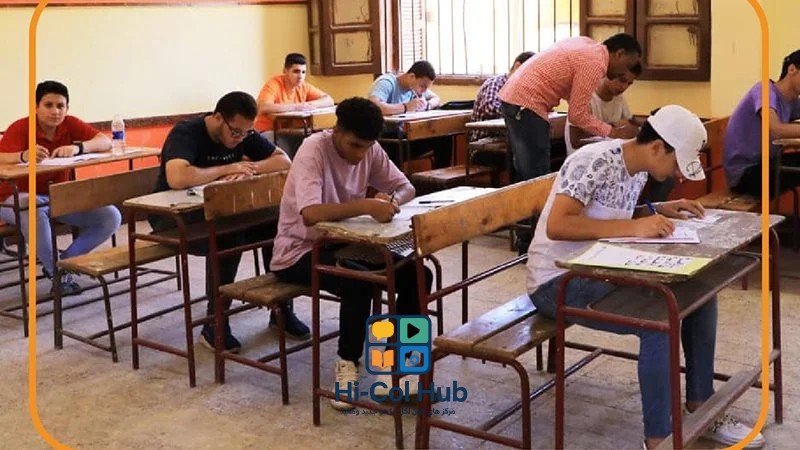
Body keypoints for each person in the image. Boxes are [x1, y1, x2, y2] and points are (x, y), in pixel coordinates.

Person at [526, 105, 765, 450]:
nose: (678, 175)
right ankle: (658, 438)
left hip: (601, 269)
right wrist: (636, 227)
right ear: (656, 147)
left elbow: (608, 213)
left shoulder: (638, 168)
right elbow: (558, 224)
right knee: (657, 322)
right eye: (676, 164)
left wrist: (656, 209)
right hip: (556, 281)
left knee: (700, 294)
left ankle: (701, 403)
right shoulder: (592, 160)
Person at [270, 97, 432, 411]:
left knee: (418, 275)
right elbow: (311, 214)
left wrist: (392, 200)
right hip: (299, 251)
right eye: (355, 145)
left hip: (348, 243)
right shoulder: (313, 150)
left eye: (366, 147)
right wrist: (366, 206)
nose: (360, 155)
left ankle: (402, 367)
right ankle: (347, 365)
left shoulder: (370, 148)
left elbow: (405, 187)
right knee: (358, 280)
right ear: (337, 131)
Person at [148, 91, 303, 353]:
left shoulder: (241, 130)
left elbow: (283, 161)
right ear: (218, 117)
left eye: (247, 133)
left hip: (220, 210)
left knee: (275, 223)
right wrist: (227, 169)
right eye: (236, 132)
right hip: (173, 218)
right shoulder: (187, 132)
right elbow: (177, 177)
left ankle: (281, 308)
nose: (240, 138)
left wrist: (249, 169)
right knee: (227, 234)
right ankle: (215, 321)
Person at [499, 33, 642, 254]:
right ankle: (533, 245)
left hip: (518, 99)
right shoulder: (595, 62)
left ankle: (527, 240)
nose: (624, 73)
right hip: (526, 103)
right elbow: (577, 116)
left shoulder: (588, 46)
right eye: (627, 66)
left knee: (529, 175)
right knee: (536, 178)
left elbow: (567, 87)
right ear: (619, 54)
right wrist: (612, 133)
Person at [0, 80, 120, 295]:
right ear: (36, 107)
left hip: (57, 197)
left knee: (110, 216)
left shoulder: (70, 124)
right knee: (32, 205)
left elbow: (105, 141)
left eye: (60, 106)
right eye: (48, 105)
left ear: (67, 108)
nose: (55, 111)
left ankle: (63, 265)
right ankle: (57, 274)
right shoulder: (21, 127)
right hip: (14, 200)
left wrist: (78, 147)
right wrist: (23, 155)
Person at [724, 48, 800, 198]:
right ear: (792, 69)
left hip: (766, 165)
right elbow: (776, 129)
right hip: (745, 175)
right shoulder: (764, 90)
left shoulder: (791, 100)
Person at [368, 60, 451, 169]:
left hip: (404, 137)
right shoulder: (387, 82)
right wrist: (406, 107)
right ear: (412, 76)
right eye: (423, 86)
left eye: (426, 88)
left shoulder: (415, 88)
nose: (424, 90)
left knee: (444, 137)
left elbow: (436, 98)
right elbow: (374, 105)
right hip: (386, 140)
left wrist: (427, 105)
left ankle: (440, 177)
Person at [254, 53, 334, 157]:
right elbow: (263, 107)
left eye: (303, 72)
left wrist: (308, 104)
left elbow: (329, 100)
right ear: (285, 71)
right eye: (296, 71)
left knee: (317, 141)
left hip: (292, 131)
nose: (300, 76)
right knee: (285, 154)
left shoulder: (303, 86)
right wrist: (296, 107)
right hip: (269, 130)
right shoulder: (274, 84)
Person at [565, 62, 643, 155]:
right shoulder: (584, 97)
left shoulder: (619, 98)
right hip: (585, 157)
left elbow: (629, 122)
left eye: (629, 83)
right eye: (622, 80)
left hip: (609, 155)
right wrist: (614, 128)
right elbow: (575, 141)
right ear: (608, 73)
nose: (624, 87)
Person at [469, 51, 536, 142]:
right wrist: (520, 114)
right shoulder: (495, 83)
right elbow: (490, 108)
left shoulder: (521, 89)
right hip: (486, 142)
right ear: (517, 67)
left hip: (507, 140)